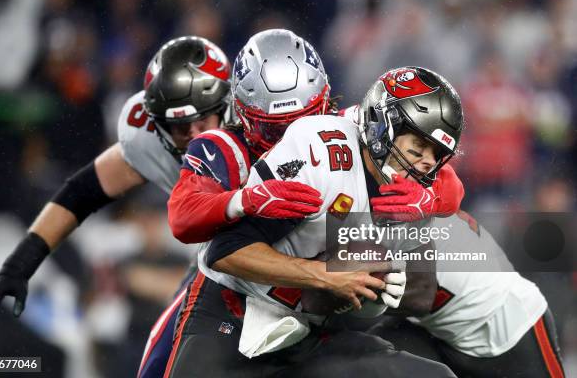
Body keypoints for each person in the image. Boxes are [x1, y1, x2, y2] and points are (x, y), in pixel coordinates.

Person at [138, 31, 466, 378]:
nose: (292, 131)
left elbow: (447, 199)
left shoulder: (391, 165)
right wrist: (240, 201)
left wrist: (384, 282)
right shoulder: (310, 152)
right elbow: (215, 243)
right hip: (237, 309)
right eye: (274, 125)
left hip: (308, 330)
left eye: (307, 114)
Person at [0, 36, 239, 329]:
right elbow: (79, 194)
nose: (194, 135)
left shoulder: (258, 138)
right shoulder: (148, 139)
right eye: (180, 126)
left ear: (225, 105)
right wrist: (19, 265)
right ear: (158, 121)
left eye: (203, 120)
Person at [368, 210, 565, 378]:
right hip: (436, 332)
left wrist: (349, 293)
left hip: (508, 325)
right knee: (363, 358)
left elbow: (421, 292)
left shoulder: (401, 206)